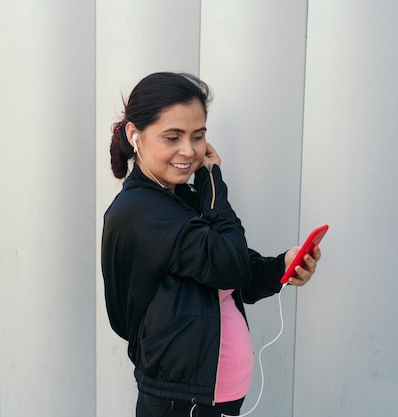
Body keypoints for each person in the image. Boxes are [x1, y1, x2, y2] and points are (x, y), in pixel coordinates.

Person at [101, 72, 321, 417]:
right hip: (182, 400)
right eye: (172, 137)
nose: (188, 151)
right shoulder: (141, 211)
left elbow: (236, 274)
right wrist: (212, 180)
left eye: (198, 136)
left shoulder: (179, 200)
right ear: (135, 135)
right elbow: (228, 263)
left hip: (207, 396)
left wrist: (282, 267)